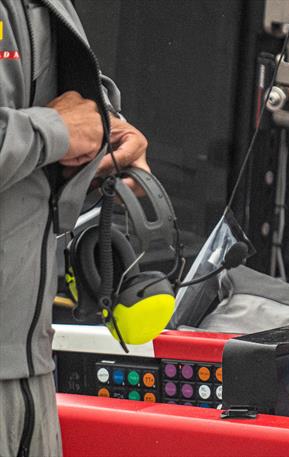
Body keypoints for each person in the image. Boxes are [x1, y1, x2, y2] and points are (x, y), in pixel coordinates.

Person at [0, 1, 149, 455]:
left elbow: (48, 92)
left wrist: (103, 128)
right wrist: (58, 130)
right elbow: (52, 122)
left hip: (29, 375)